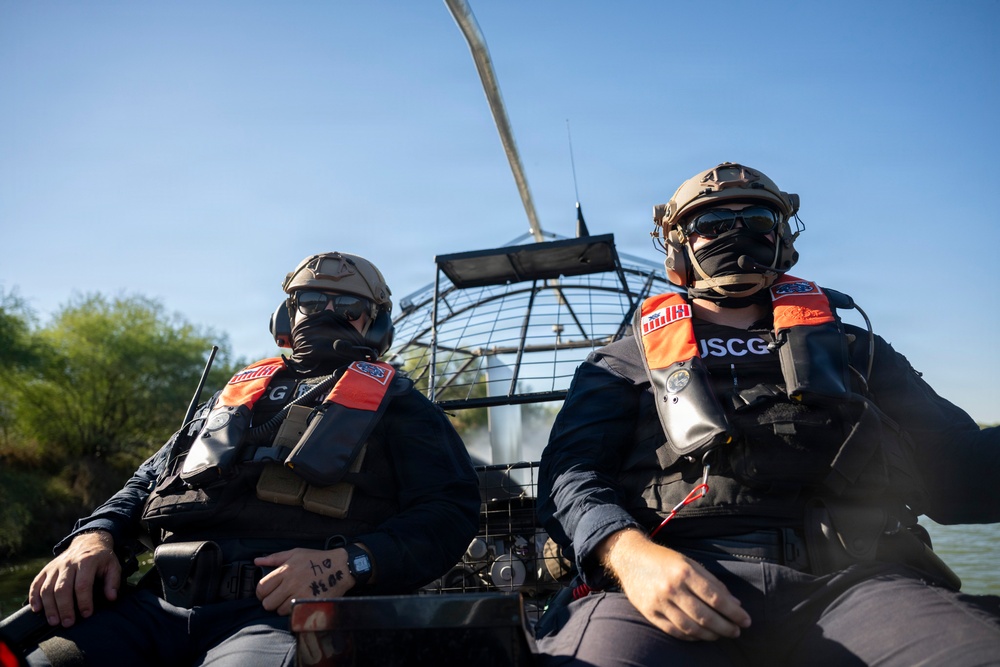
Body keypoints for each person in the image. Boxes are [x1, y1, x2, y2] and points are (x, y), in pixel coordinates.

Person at [534, 163, 1000, 666]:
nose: (735, 234)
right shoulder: (621, 364)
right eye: (710, 225)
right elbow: (570, 476)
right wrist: (630, 557)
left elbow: (956, 468)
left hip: (857, 584)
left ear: (783, 237)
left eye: (756, 220)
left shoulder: (857, 350)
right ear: (677, 247)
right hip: (666, 582)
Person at [21, 251, 482, 666]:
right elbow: (148, 480)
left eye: (347, 308)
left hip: (280, 615)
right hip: (156, 602)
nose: (326, 314)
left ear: (375, 325)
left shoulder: (400, 404)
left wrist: (350, 563)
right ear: (288, 313)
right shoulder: (230, 398)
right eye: (311, 300)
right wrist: (95, 537)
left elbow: (449, 511)